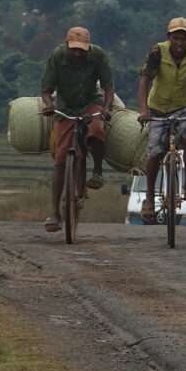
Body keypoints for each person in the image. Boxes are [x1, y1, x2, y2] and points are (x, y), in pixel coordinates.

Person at [40, 25, 115, 233]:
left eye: (81, 49)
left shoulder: (98, 56)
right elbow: (46, 89)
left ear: (88, 47)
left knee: (97, 130)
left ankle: (97, 169)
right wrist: (48, 104)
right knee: (61, 158)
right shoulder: (57, 56)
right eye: (74, 49)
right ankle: (54, 212)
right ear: (67, 45)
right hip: (65, 107)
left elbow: (108, 87)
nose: (77, 53)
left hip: (91, 103)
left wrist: (107, 108)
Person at [137, 17, 186, 224]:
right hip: (157, 107)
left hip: (182, 106)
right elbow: (145, 80)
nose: (179, 43)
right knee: (154, 151)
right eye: (176, 38)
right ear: (169, 37)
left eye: (184, 39)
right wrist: (143, 110)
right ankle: (150, 198)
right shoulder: (157, 52)